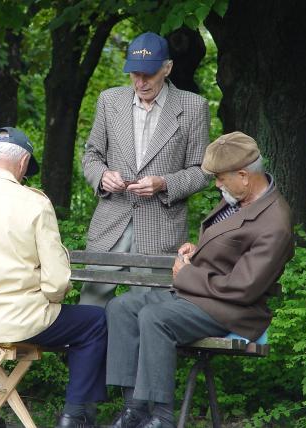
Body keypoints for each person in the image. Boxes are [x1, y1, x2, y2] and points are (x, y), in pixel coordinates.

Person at [105, 132, 294, 428]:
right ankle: (135, 408)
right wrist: (198, 249)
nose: (217, 184)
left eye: (220, 177)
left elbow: (243, 288)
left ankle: (162, 416)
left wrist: (188, 274)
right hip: (200, 295)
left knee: (156, 317)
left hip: (231, 310)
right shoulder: (239, 198)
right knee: (122, 307)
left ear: (244, 175)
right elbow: (229, 244)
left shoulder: (275, 223)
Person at [0, 127, 108, 428]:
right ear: (24, 163)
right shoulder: (35, 203)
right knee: (95, 322)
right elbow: (55, 283)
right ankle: (74, 415)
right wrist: (49, 300)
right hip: (17, 321)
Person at [80, 31, 211, 306]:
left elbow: (202, 171)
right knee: (91, 309)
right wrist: (103, 176)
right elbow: (91, 155)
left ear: (167, 68)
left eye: (148, 74)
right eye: (134, 74)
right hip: (110, 227)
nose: (140, 82)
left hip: (160, 231)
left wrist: (164, 183)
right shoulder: (109, 101)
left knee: (149, 316)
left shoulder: (193, 107)